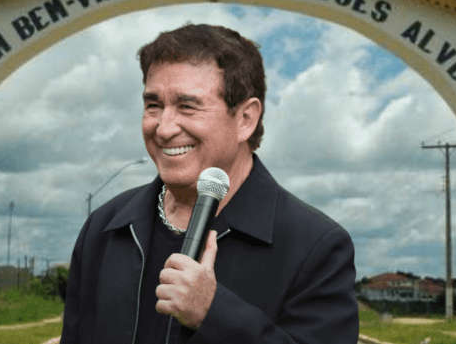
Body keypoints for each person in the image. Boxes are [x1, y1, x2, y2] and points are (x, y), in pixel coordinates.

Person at [60, 24, 358, 344]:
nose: (164, 129)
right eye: (153, 105)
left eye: (187, 106)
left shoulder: (317, 246)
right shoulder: (104, 228)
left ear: (246, 119)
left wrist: (213, 314)